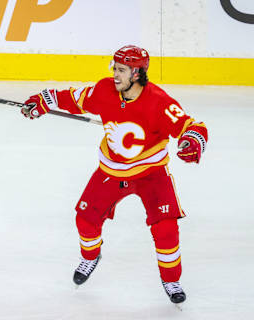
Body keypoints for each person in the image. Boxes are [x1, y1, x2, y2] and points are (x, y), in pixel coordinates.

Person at [20, 45, 208, 304]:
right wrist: (43, 101)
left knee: (166, 229)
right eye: (114, 68)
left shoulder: (159, 101)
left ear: (137, 73)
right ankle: (90, 257)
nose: (114, 74)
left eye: (120, 70)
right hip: (111, 170)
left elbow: (191, 125)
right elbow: (73, 98)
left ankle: (171, 278)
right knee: (85, 220)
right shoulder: (104, 90)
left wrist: (192, 141)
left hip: (150, 173)